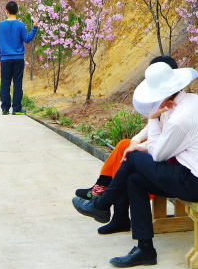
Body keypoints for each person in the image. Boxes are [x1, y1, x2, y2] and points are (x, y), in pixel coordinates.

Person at [72, 61, 198, 268]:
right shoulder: (192, 101)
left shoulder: (180, 117)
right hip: (194, 176)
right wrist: (141, 146)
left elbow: (159, 155)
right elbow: (166, 146)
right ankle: (145, 248)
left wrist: (153, 119)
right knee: (136, 180)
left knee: (133, 159)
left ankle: (101, 204)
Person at [76, 56, 179, 212]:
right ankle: (102, 189)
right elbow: (153, 125)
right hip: (160, 151)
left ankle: (107, 199)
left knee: (129, 156)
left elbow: (165, 139)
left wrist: (139, 146)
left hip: (170, 159)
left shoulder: (176, 104)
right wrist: (135, 141)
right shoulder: (166, 98)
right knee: (125, 144)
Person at [0, 0, 37, 115]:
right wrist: (34, 28)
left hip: (5, 59)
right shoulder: (20, 25)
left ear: (6, 11)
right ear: (17, 11)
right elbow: (27, 39)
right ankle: (17, 108)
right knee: (17, 83)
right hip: (18, 58)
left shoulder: (1, 25)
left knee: (5, 83)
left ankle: (5, 108)